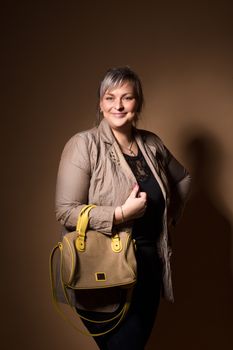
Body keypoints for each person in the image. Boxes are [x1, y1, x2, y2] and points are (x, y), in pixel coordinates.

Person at [55, 66, 191, 349]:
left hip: (149, 270)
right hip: (102, 273)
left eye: (126, 97)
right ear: (100, 103)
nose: (118, 105)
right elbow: (66, 211)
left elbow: (184, 178)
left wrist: (169, 218)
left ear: (137, 102)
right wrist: (119, 215)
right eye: (109, 97)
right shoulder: (84, 144)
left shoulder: (152, 144)